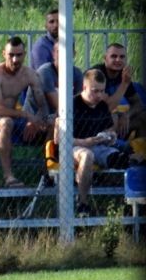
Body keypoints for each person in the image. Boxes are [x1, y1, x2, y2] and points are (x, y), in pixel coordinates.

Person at [0, 36, 50, 187]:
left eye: (19, 55)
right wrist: (27, 115)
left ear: (25, 54)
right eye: (11, 55)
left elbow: (43, 106)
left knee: (53, 125)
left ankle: (48, 173)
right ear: (4, 54)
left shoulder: (29, 74)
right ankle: (8, 176)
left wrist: (35, 121)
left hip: (14, 117)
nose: (15, 59)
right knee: (6, 122)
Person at [63, 69, 131, 216]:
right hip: (74, 146)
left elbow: (109, 128)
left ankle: (128, 204)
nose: (99, 95)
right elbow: (59, 138)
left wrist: (110, 136)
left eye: (102, 91)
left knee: (122, 158)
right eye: (95, 91)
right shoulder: (71, 105)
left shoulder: (102, 106)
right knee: (87, 155)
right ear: (84, 87)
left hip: (98, 145)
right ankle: (83, 204)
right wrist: (84, 142)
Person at [90, 43, 146, 140]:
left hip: (111, 120)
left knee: (143, 116)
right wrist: (124, 84)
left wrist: (127, 115)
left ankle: (136, 148)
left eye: (122, 57)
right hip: (90, 121)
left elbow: (138, 104)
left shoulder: (122, 74)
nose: (118, 60)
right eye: (113, 56)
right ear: (105, 58)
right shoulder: (97, 75)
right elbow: (106, 109)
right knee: (114, 118)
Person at [23, 42, 83, 121]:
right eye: (59, 52)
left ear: (74, 54)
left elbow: (80, 102)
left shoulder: (77, 74)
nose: (63, 55)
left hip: (59, 117)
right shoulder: (45, 72)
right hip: (34, 119)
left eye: (68, 52)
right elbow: (59, 106)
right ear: (53, 54)